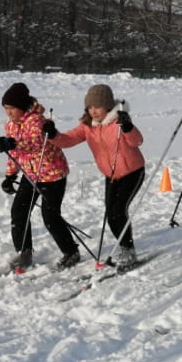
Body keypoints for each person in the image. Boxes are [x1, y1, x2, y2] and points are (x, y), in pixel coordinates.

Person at [44, 83, 145, 271]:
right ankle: (124, 246)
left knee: (117, 212)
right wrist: (52, 134)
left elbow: (137, 141)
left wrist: (128, 128)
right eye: (89, 107)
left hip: (132, 171)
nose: (93, 111)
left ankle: (128, 250)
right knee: (111, 214)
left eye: (97, 106)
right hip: (111, 174)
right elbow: (67, 140)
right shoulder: (87, 126)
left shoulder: (119, 121)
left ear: (107, 106)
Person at [0, 81, 81, 272]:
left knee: (50, 217)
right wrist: (9, 175)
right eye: (5, 108)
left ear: (22, 106)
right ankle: (24, 252)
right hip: (31, 174)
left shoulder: (38, 121)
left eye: (12, 108)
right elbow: (16, 153)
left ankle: (71, 251)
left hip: (52, 174)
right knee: (19, 213)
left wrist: (11, 144)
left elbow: (34, 144)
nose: (8, 112)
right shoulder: (11, 125)